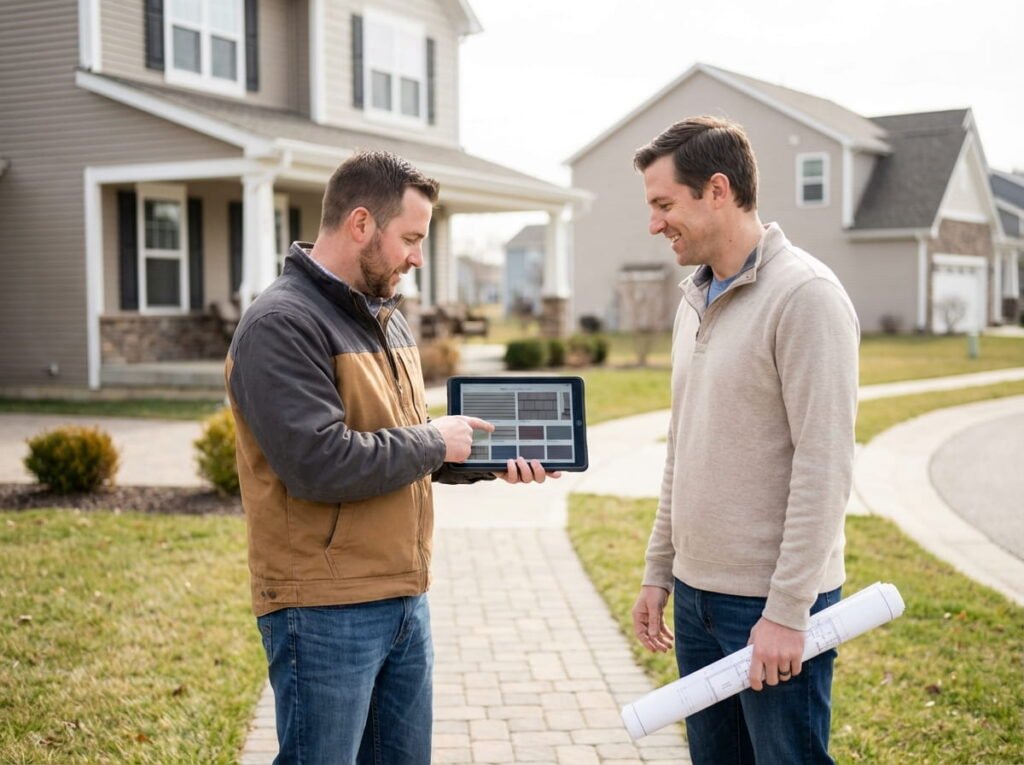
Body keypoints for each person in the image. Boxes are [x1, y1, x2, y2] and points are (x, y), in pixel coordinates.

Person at [226, 150, 558, 765]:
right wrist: (437, 439)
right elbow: (319, 462)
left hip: (404, 595)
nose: (417, 257)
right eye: (410, 238)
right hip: (324, 608)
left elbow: (402, 443)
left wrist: (485, 456)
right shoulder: (281, 324)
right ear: (360, 224)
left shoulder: (386, 319)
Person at [629, 117, 859, 764]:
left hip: (771, 607)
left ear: (718, 190)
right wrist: (659, 571)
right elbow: (683, 446)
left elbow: (826, 464)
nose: (654, 224)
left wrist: (788, 610)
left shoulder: (805, 297)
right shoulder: (693, 298)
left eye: (664, 204)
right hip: (697, 599)